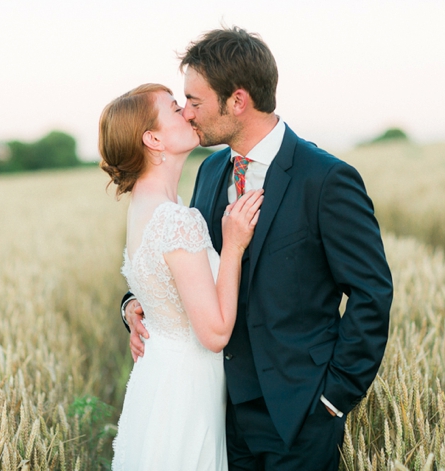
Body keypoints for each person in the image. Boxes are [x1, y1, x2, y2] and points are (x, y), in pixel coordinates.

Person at [121, 27, 393, 470]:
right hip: (219, 411)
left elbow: (371, 293)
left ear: (238, 101)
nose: (187, 114)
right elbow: (181, 262)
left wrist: (332, 399)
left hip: (300, 414)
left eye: (195, 101)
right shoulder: (210, 172)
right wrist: (137, 303)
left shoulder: (324, 179)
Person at [99, 83, 264, 470]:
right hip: (185, 394)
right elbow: (216, 333)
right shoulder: (175, 219)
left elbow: (158, 284)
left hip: (158, 382)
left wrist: (133, 306)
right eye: (175, 109)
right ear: (153, 138)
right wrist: (234, 246)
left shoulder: (146, 207)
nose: (188, 113)